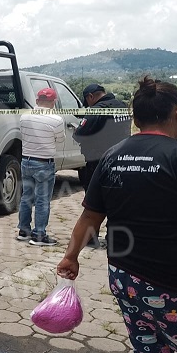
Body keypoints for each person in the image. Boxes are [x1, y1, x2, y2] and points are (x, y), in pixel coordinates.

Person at [57, 76, 177, 353]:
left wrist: (71, 257)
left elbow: (90, 217)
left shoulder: (114, 155)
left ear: (134, 117)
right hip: (174, 287)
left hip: (126, 280)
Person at [73, 83, 131, 248]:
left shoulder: (96, 109)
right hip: (122, 160)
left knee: (94, 201)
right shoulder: (122, 106)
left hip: (98, 163)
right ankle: (114, 237)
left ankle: (91, 238)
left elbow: (80, 134)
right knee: (117, 200)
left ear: (90, 97)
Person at [16, 87, 65, 246]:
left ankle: (24, 230)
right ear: (53, 102)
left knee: (26, 197)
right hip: (44, 163)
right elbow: (60, 140)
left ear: (37, 101)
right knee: (42, 201)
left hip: (26, 161)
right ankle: (39, 235)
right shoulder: (56, 120)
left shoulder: (24, 117)